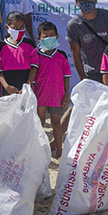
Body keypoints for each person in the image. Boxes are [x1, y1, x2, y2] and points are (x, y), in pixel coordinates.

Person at [33, 21, 71, 157]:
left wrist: (67, 95)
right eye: (45, 36)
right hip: (40, 95)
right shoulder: (35, 55)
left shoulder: (61, 55)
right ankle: (38, 152)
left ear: (57, 36)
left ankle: (59, 151)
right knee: (39, 123)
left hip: (57, 95)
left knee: (56, 123)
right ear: (39, 38)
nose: (48, 38)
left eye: (51, 35)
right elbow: (33, 76)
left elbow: (67, 76)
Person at [66, 0, 108, 83]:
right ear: (77, 3)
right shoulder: (74, 25)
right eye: (82, 0)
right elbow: (75, 54)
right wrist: (83, 78)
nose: (86, 2)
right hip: (92, 74)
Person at [0, 11, 39, 93]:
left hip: (25, 82)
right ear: (7, 27)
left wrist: (28, 84)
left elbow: (34, 66)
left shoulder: (30, 44)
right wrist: (6, 86)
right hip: (7, 83)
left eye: (21, 27)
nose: (18, 30)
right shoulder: (1, 46)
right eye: (15, 28)